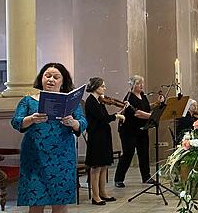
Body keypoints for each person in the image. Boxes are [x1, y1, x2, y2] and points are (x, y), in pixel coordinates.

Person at [11, 63, 87, 212]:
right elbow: (16, 121)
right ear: (41, 78)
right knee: (35, 203)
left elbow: (83, 123)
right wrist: (31, 119)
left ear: (63, 81)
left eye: (56, 77)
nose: (51, 79)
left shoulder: (71, 102)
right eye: (47, 75)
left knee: (60, 204)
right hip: (35, 156)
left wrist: (73, 122)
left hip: (62, 156)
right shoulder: (28, 100)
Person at [84, 77, 125, 205]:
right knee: (96, 167)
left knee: (103, 166)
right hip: (96, 137)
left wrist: (118, 113)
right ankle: (95, 196)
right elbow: (103, 118)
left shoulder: (99, 101)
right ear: (96, 87)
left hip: (103, 136)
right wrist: (117, 116)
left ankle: (103, 193)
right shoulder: (91, 101)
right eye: (102, 86)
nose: (104, 88)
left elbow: (104, 117)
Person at [114, 75, 156, 188]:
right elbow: (137, 113)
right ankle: (118, 178)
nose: (141, 85)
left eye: (142, 83)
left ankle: (146, 176)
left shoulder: (142, 95)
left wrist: (157, 104)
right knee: (128, 153)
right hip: (128, 130)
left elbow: (146, 108)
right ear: (133, 85)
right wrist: (152, 116)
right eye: (138, 83)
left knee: (144, 153)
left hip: (142, 129)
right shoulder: (129, 98)